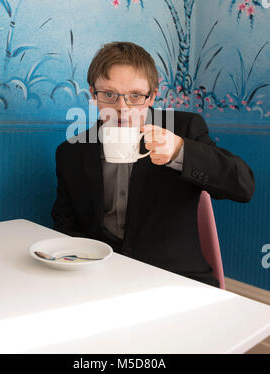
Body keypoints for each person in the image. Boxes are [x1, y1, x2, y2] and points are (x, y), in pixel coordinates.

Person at [52, 41, 255, 287]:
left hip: (175, 279)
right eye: (109, 95)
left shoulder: (184, 128)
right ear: (93, 95)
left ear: (152, 97)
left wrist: (180, 151)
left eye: (135, 96)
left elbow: (243, 186)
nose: (122, 109)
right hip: (101, 278)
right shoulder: (71, 152)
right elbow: (64, 224)